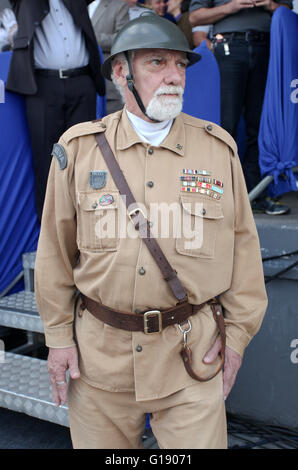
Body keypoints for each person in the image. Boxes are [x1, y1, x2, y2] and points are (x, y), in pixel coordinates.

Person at [35, 12, 268, 449]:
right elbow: (54, 252)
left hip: (191, 359)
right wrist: (58, 338)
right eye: (157, 63)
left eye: (179, 64)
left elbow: (243, 248)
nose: (174, 76)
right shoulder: (79, 150)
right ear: (122, 72)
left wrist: (236, 339)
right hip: (98, 362)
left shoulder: (218, 150)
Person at [189, 0, 293, 216]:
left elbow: (287, 11)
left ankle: (256, 195)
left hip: (266, 47)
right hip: (228, 47)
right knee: (226, 124)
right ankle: (221, 193)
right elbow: (195, 17)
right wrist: (232, 6)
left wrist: (269, 5)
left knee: (261, 124)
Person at [6, 0, 105, 222]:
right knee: (47, 161)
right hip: (42, 85)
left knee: (85, 158)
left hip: (82, 81)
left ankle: (88, 227)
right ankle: (50, 234)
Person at [89, 0, 130, 114]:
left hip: (107, 86)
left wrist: (90, 37)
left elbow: (124, 39)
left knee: (109, 128)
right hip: (81, 85)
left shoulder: (119, 6)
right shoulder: (76, 5)